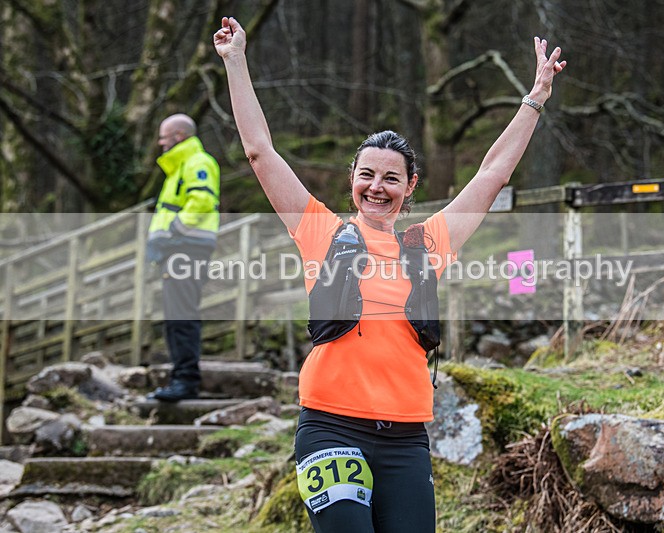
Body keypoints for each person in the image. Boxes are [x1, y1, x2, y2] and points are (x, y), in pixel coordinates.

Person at [214, 16, 564, 532]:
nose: (377, 187)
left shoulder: (427, 245)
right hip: (330, 427)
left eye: (391, 178)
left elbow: (492, 174)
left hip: (406, 438)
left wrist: (534, 99)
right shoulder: (321, 232)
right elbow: (260, 152)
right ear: (352, 180)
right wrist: (236, 61)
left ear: (410, 185)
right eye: (367, 175)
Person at [145, 113, 221, 402]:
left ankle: (185, 381)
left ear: (179, 136)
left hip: (186, 249)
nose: (160, 143)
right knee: (176, 315)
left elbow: (201, 201)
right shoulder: (180, 167)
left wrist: (173, 232)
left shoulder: (197, 162)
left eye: (163, 137)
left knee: (181, 315)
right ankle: (182, 377)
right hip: (179, 249)